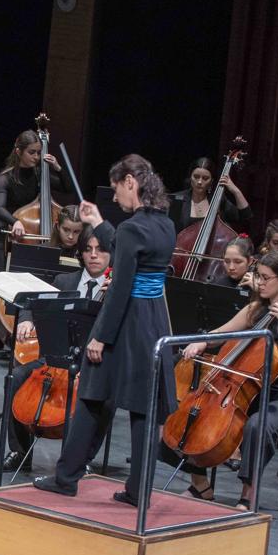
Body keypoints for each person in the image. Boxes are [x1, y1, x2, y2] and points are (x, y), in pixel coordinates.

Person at [33, 155, 176, 506]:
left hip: (126, 322)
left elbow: (122, 284)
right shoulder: (165, 224)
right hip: (155, 322)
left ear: (131, 181)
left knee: (91, 395)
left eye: (116, 190)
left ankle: (66, 478)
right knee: (145, 407)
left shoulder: (131, 229)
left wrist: (100, 336)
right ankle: (139, 490)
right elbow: (131, 253)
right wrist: (97, 221)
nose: (115, 199)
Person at [170, 248, 278, 508]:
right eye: (259, 276)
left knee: (258, 425)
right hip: (245, 393)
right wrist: (201, 342)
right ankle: (201, 486)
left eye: (266, 278)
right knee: (187, 415)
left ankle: (248, 493)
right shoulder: (256, 309)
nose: (260, 282)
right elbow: (222, 331)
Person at [0, 227, 111, 474]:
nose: (94, 255)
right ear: (80, 254)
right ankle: (20, 452)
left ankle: (82, 458)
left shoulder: (115, 291)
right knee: (15, 378)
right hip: (53, 360)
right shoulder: (64, 281)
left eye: (100, 250)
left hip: (93, 365)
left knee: (105, 395)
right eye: (88, 250)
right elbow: (35, 302)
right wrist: (27, 318)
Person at [0, 129, 71, 359]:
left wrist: (59, 168)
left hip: (30, 241)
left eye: (39, 152)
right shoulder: (6, 177)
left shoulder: (41, 174)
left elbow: (67, 188)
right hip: (6, 237)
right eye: (32, 152)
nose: (36, 157)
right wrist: (16, 221)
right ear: (19, 151)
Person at [169, 156, 252, 233]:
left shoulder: (218, 200)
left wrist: (235, 191)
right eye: (196, 177)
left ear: (211, 181)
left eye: (205, 178)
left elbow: (245, 218)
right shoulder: (177, 199)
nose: (199, 182)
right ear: (190, 177)